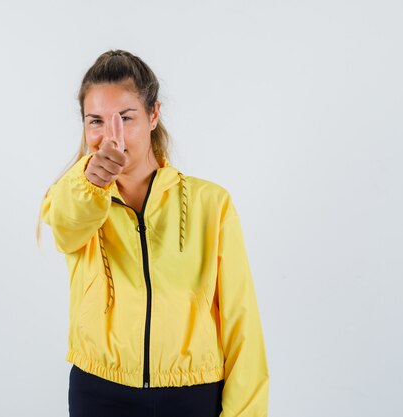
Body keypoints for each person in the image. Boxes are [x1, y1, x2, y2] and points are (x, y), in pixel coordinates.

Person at [37, 49, 269, 417]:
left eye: (125, 118)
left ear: (153, 114)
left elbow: (242, 323)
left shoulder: (212, 204)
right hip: (99, 394)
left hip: (193, 395)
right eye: (95, 121)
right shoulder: (75, 196)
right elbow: (66, 227)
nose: (111, 135)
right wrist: (91, 182)